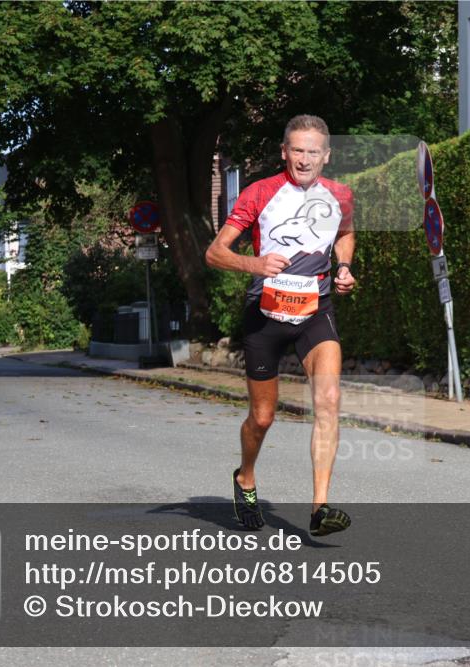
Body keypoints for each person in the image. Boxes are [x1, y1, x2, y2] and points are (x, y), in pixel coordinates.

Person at [205, 115, 355, 537]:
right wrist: (253, 263)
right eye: (297, 150)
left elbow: (345, 233)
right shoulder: (260, 193)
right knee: (263, 417)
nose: (305, 159)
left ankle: (320, 508)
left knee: (328, 400)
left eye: (313, 152)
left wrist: (343, 266)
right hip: (265, 314)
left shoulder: (340, 195)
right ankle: (245, 478)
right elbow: (215, 253)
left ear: (326, 156)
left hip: (316, 310)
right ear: (284, 152)